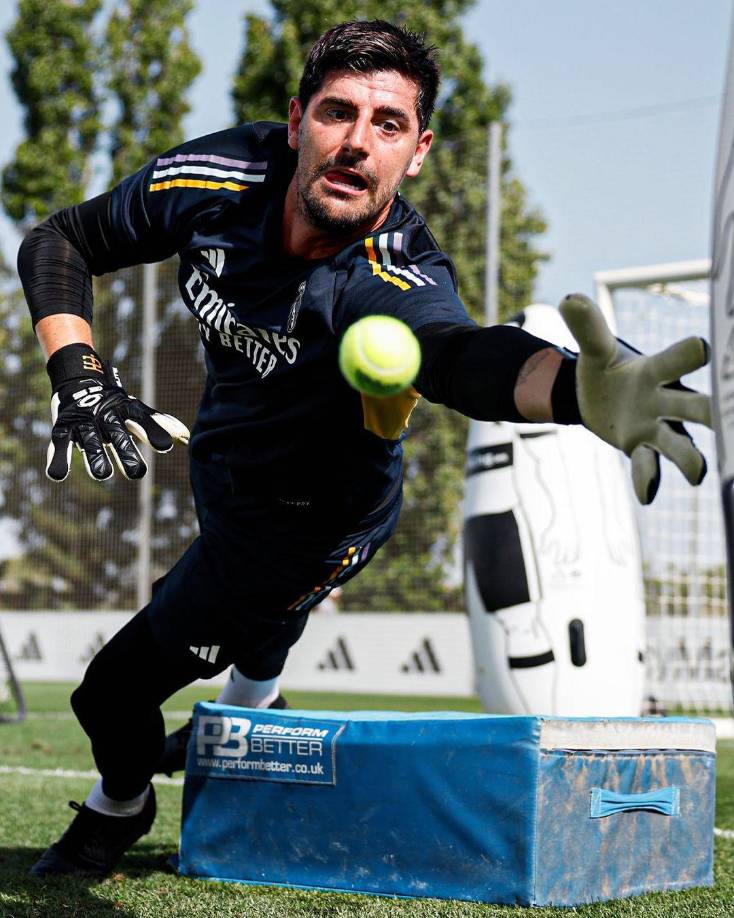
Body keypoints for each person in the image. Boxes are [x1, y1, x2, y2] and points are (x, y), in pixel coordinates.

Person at [17, 19, 711, 878]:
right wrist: (79, 372)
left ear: (417, 152)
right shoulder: (218, 176)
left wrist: (575, 390)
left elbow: (463, 356)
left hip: (314, 521)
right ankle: (257, 696)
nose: (356, 142)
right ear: (296, 117)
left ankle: (119, 803)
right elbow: (61, 239)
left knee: (110, 695)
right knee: (250, 619)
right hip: (228, 464)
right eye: (338, 113)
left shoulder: (392, 275)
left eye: (387, 126)